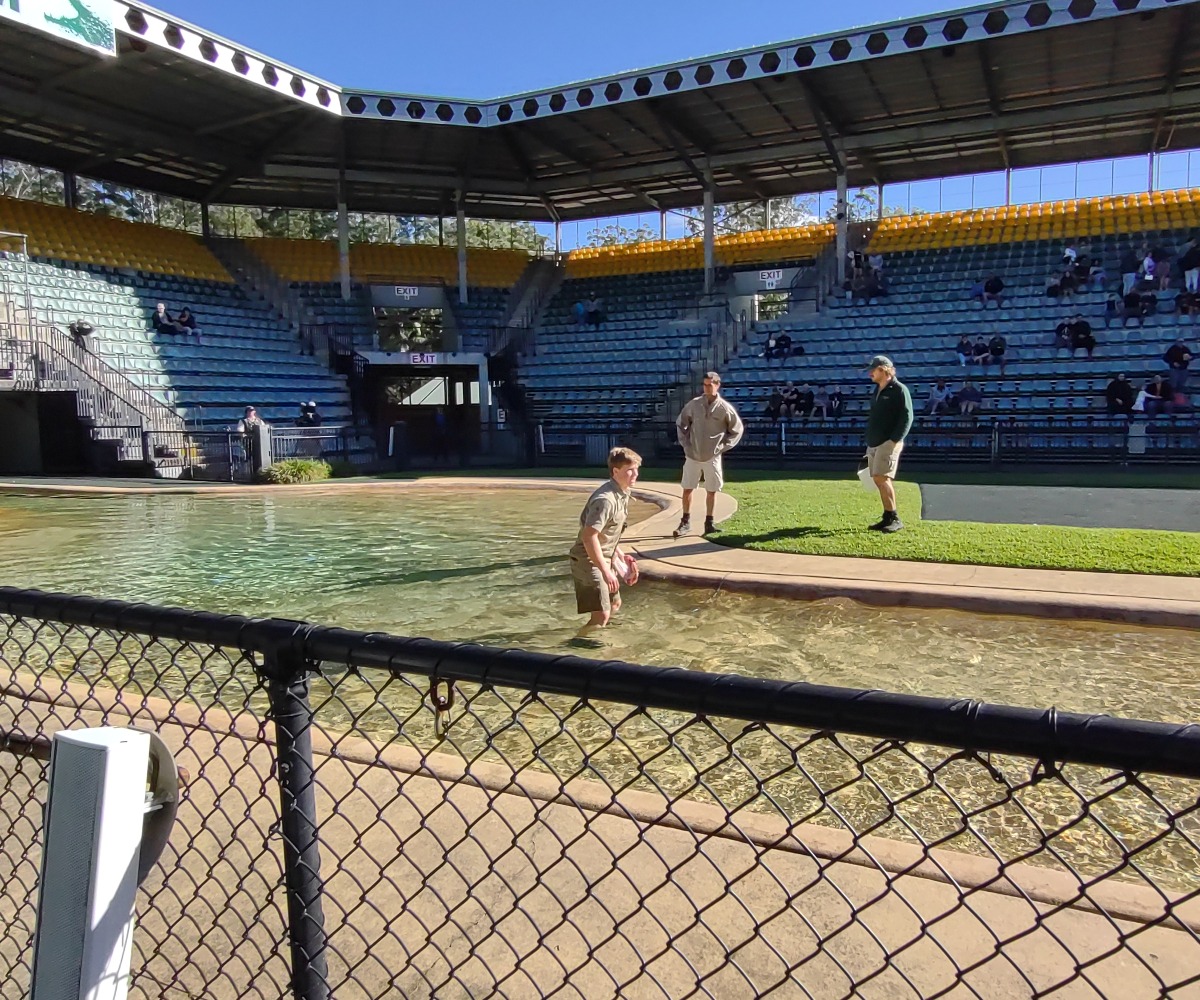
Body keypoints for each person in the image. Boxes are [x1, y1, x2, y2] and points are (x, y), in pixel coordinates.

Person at [568, 447, 642, 631]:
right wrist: (606, 571)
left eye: (636, 469)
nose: (635, 474)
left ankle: (597, 635)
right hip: (587, 559)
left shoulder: (622, 493)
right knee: (601, 613)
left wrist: (620, 557)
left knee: (614, 604)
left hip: (603, 557)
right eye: (629, 470)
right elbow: (589, 537)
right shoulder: (605, 500)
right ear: (616, 472)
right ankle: (575, 649)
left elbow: (606, 535)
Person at [675, 371, 744, 537]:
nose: (707, 388)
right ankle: (685, 521)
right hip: (693, 454)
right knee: (687, 488)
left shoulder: (724, 408)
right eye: (705, 384)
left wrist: (724, 447)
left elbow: (737, 430)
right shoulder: (694, 404)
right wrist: (685, 443)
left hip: (712, 455)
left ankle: (709, 522)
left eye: (710, 384)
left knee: (711, 490)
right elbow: (681, 423)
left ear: (717, 385)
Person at [863, 356, 912, 533]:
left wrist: (895, 439)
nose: (870, 373)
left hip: (888, 442)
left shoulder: (899, 390)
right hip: (875, 441)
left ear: (884, 369)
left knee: (882, 478)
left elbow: (907, 417)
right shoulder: (878, 390)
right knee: (876, 478)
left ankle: (894, 517)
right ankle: (887, 515)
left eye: (873, 370)